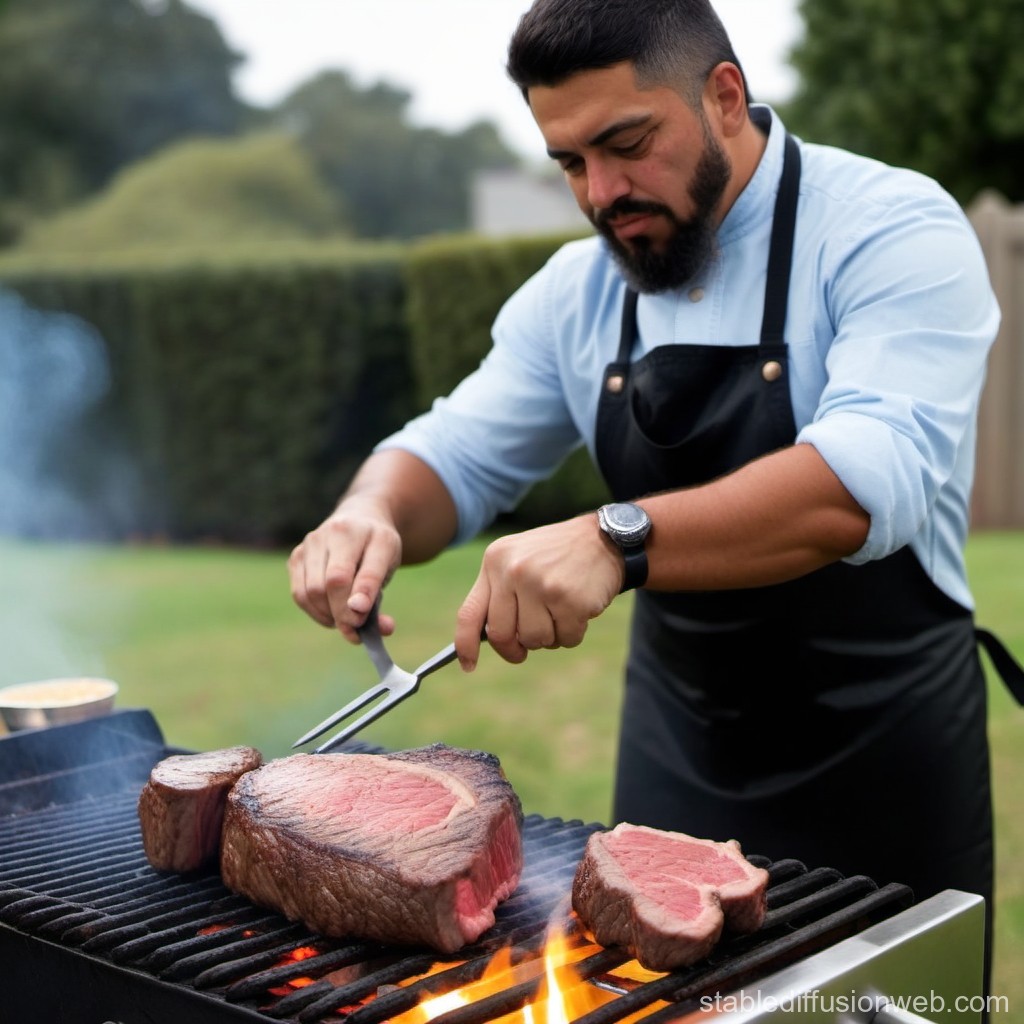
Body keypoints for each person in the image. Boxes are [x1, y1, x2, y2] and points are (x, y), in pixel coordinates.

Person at [289, 0, 1013, 990]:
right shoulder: (576, 292)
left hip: (878, 760)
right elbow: (452, 453)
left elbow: (859, 481)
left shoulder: (888, 228)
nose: (601, 192)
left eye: (626, 144)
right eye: (569, 163)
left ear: (723, 96)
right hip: (677, 754)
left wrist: (615, 536)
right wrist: (365, 510)